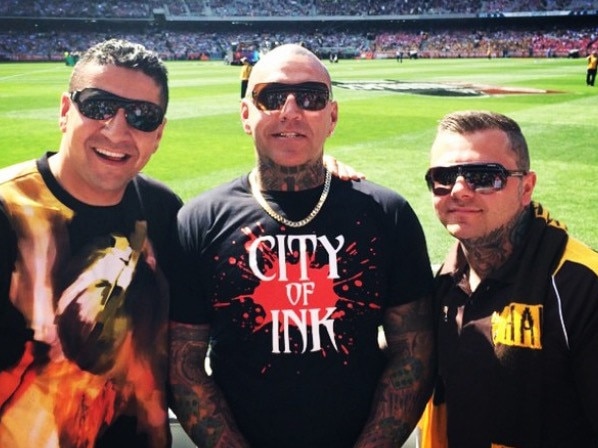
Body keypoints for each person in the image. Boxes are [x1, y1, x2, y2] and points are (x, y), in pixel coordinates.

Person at [168, 43, 435, 448]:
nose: (290, 111)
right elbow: (182, 364)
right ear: (246, 114)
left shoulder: (386, 214)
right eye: (271, 97)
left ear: (332, 116)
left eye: (311, 98)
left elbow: (414, 353)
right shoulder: (200, 220)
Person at [0, 38, 183, 447]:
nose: (117, 130)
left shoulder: (164, 211)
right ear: (66, 111)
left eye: (142, 116)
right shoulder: (7, 208)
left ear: (159, 133)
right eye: (98, 106)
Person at [419, 110, 598, 447]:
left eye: (483, 176)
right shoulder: (443, 281)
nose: (459, 190)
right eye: (443, 176)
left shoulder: (580, 286)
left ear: (526, 187)